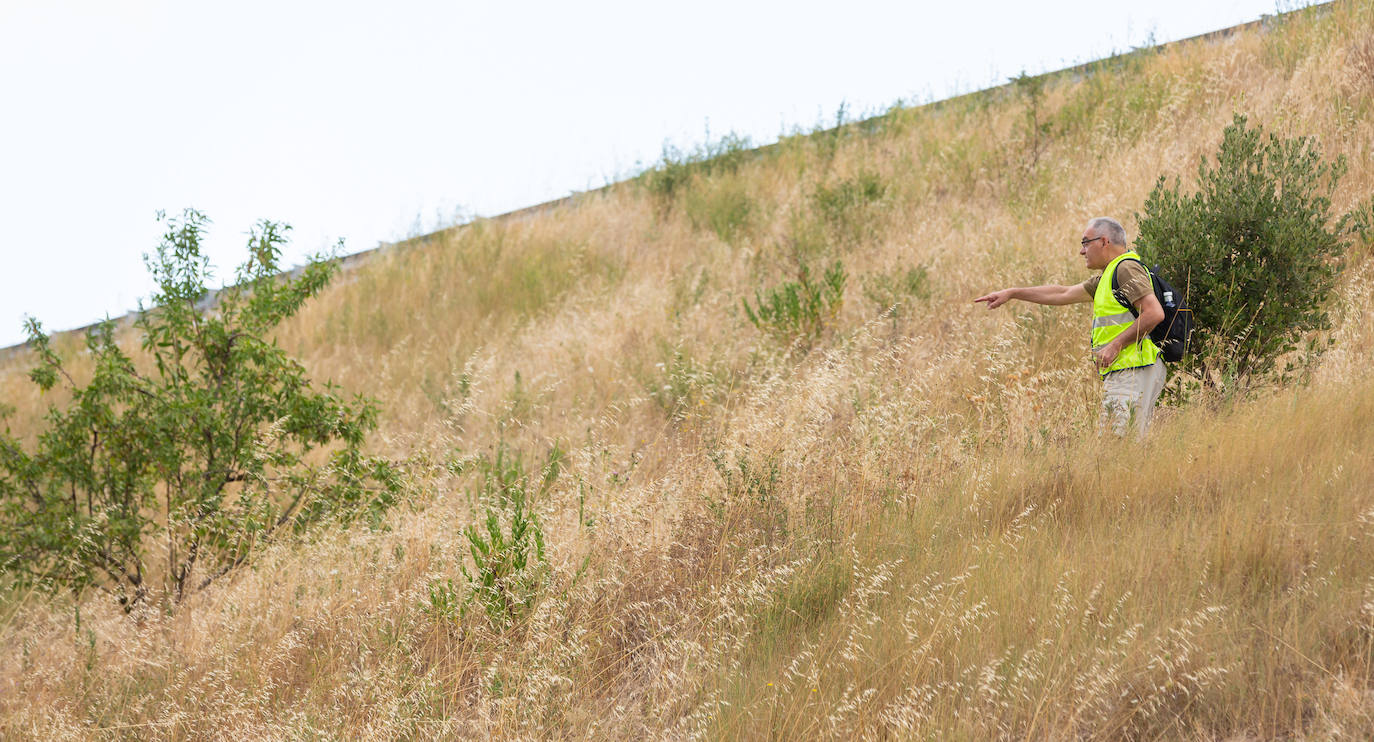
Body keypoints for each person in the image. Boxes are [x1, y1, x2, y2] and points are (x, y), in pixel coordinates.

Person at [974, 217, 1166, 438]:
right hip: (1129, 369)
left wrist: (1115, 345)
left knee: (1116, 446)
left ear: (1104, 241)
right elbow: (1062, 293)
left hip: (1134, 370)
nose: (1082, 251)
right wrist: (1013, 293)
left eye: (1086, 243)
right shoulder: (1109, 275)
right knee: (1124, 446)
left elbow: (1154, 313)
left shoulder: (1125, 269)